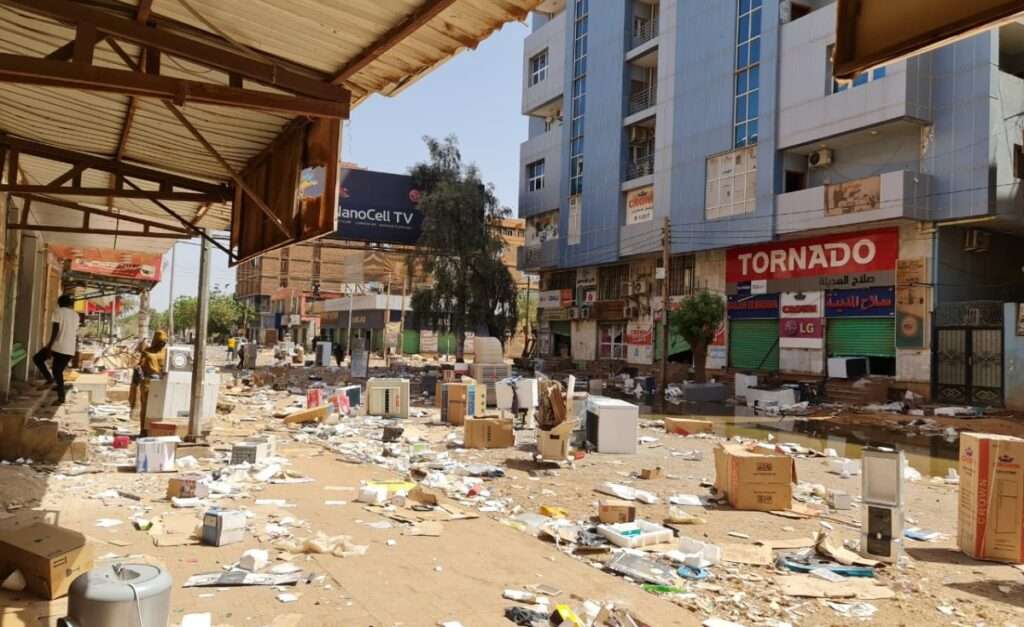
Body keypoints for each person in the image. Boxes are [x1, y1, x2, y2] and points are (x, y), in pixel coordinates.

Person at [32, 294, 79, 405]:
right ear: (71, 304)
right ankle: (59, 394)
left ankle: (52, 383)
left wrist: (49, 347)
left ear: (59, 303)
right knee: (58, 371)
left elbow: (55, 330)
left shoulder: (58, 312)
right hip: (70, 348)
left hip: (58, 346)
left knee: (38, 359)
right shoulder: (76, 315)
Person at [137, 330, 168, 436]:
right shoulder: (147, 351)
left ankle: (158, 430)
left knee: (160, 408)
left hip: (162, 383)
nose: (161, 344)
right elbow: (139, 366)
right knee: (146, 407)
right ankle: (144, 430)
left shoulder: (167, 353)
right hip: (148, 383)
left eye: (163, 342)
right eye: (159, 341)